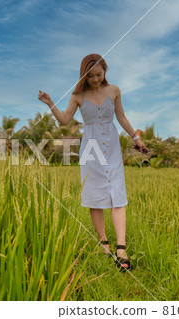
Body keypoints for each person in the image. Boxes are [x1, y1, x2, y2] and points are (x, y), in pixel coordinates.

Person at [37, 53, 146, 272]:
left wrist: (136, 138)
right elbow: (65, 120)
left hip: (112, 145)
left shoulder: (114, 91)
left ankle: (121, 249)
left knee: (117, 193)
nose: (96, 79)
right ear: (84, 76)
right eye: (91, 76)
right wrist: (50, 103)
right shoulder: (78, 95)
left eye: (99, 74)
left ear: (105, 70)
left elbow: (121, 117)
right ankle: (103, 242)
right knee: (95, 194)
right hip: (91, 147)